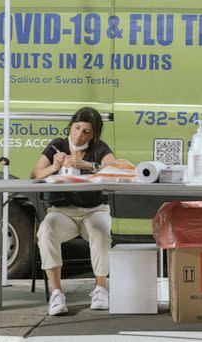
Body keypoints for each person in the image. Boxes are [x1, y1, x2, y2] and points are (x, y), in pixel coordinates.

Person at [31, 107, 116, 315]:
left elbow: (115, 169)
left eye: (86, 131)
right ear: (71, 126)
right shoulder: (57, 145)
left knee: (100, 229)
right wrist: (54, 167)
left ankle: (100, 288)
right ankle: (56, 293)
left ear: (94, 134)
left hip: (94, 209)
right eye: (77, 128)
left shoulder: (100, 148)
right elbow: (36, 174)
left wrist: (87, 164)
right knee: (47, 229)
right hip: (63, 211)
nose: (79, 135)